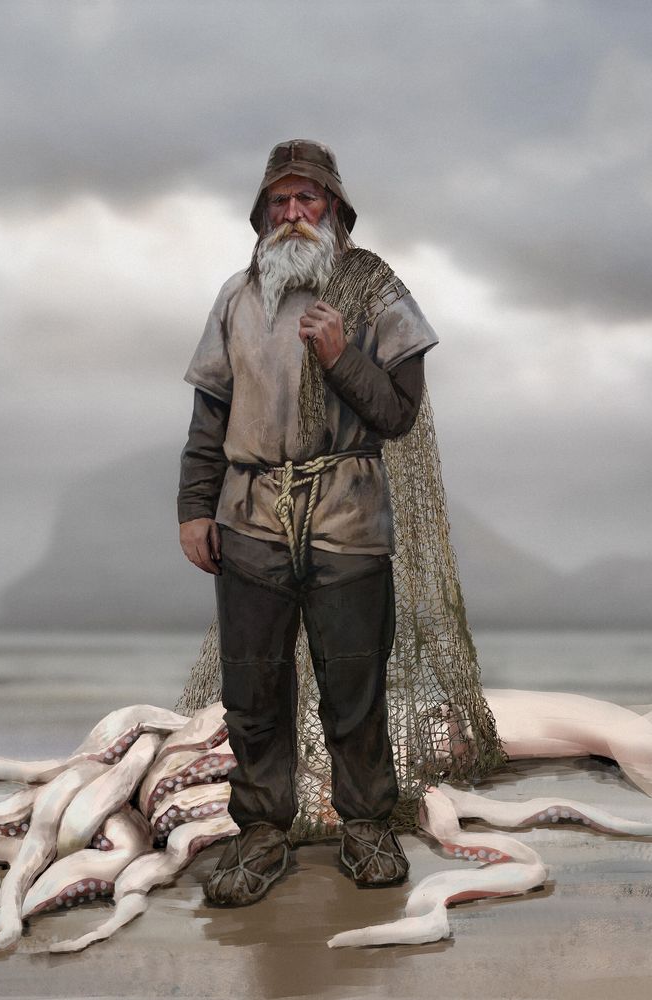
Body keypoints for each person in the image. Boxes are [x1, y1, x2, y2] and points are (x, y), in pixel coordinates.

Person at [177, 139, 438, 906]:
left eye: (308, 200)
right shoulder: (236, 297)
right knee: (252, 687)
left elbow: (397, 413)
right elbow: (208, 418)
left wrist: (339, 356)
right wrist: (195, 509)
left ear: (334, 210)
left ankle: (365, 826)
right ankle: (262, 834)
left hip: (348, 518)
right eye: (280, 202)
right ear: (262, 215)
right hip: (250, 517)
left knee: (352, 686)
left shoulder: (375, 292)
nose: (294, 215)